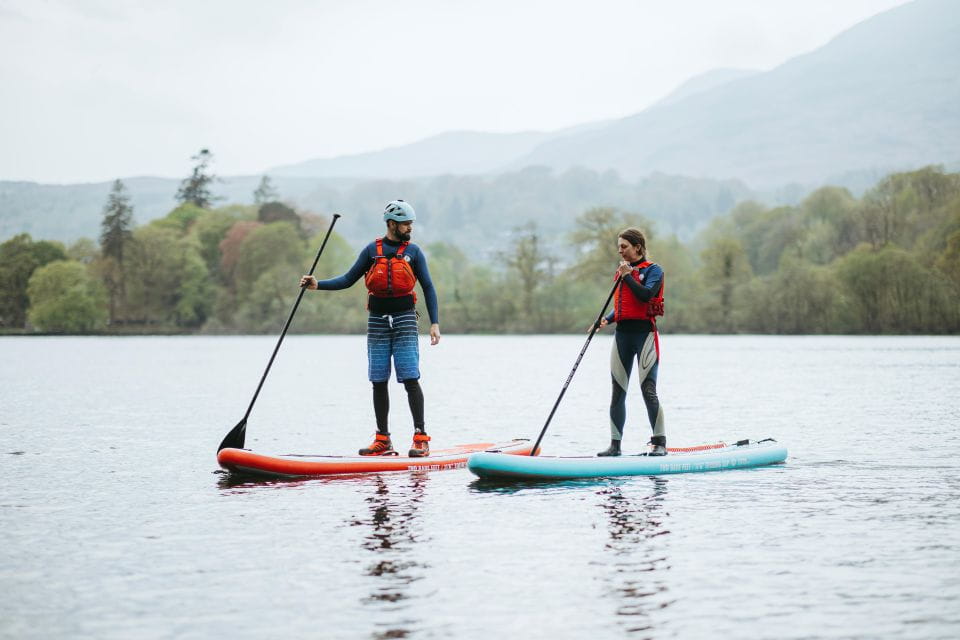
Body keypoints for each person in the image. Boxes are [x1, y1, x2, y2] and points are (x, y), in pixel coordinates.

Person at [301, 200, 441, 457]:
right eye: (405, 223)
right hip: (377, 321)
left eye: (411, 223)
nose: (410, 227)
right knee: (378, 380)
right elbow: (347, 279)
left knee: (410, 377)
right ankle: (383, 440)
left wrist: (434, 323)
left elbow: (429, 287)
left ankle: (421, 438)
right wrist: (317, 284)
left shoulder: (415, 252)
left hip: (405, 320)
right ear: (391, 224)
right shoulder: (371, 251)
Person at [594, 228, 666, 457]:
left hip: (644, 336)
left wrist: (627, 276)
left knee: (648, 390)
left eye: (624, 246)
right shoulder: (623, 272)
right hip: (622, 337)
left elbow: (645, 296)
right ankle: (615, 446)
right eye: (619, 246)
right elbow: (624, 306)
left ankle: (659, 443)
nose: (620, 250)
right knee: (618, 391)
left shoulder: (654, 270)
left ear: (638, 247)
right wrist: (606, 318)